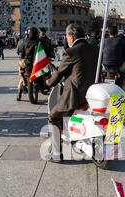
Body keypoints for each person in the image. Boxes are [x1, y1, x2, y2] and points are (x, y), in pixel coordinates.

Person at [45, 24, 98, 162]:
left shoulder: (72, 51)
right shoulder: (95, 49)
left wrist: (49, 82)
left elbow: (59, 72)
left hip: (76, 96)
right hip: (93, 94)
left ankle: (56, 154)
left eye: (67, 36)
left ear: (72, 36)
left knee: (53, 117)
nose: (66, 38)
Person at [102, 26, 125, 105]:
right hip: (118, 65)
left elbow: (100, 53)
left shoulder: (104, 41)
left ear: (109, 33)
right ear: (116, 33)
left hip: (106, 66)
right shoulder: (120, 41)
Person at [16, 27, 40, 101]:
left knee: (22, 77)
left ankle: (19, 93)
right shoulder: (37, 41)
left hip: (23, 61)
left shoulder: (21, 41)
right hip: (33, 61)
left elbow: (18, 51)